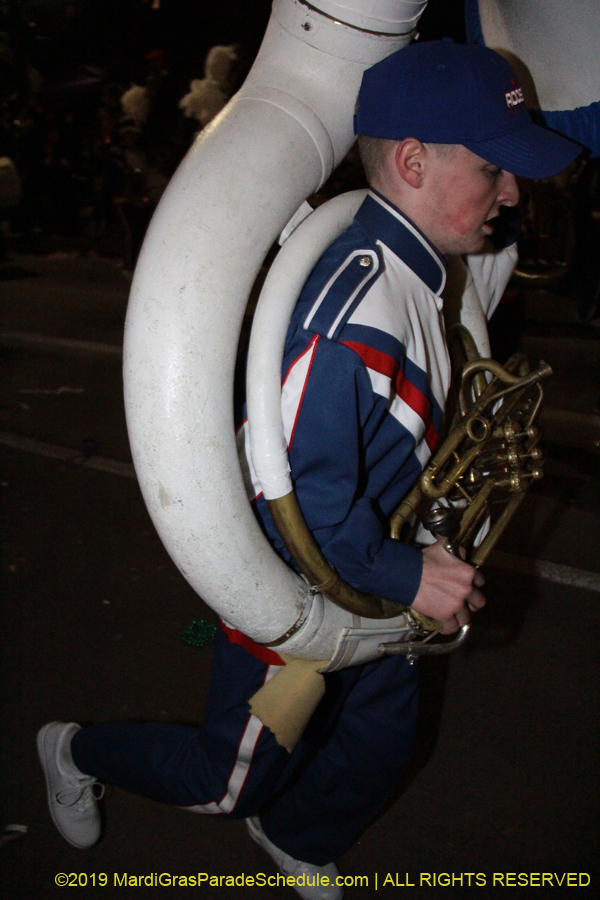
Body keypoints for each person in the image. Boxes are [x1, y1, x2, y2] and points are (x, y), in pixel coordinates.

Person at [36, 41, 580, 900]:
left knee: (380, 741)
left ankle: (293, 834)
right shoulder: (353, 317)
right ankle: (72, 748)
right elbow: (299, 505)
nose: (513, 194)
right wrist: (413, 573)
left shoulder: (417, 265)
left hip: (370, 567)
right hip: (305, 581)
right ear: (410, 162)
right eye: (495, 169)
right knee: (227, 780)